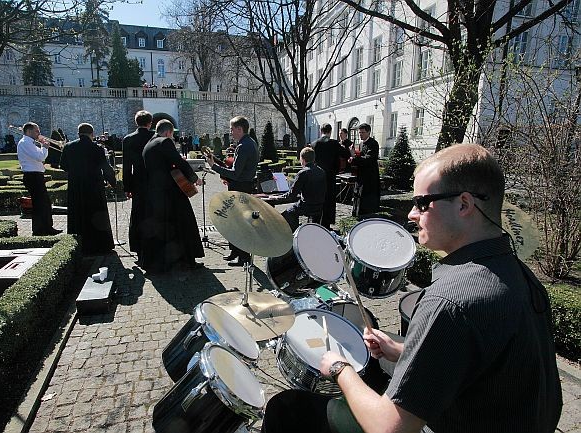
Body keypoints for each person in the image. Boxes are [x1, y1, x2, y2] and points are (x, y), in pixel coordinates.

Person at [263, 144, 562, 433]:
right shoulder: (518, 273)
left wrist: (341, 368)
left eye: (422, 203)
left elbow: (390, 428)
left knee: (286, 408)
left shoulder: (450, 301)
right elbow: (483, 360)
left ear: (464, 204)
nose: (411, 214)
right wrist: (404, 351)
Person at [140, 120, 204, 273]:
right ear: (168, 132)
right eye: (172, 135)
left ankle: (162, 263)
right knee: (183, 224)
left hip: (155, 194)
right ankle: (186, 261)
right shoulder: (165, 143)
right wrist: (195, 178)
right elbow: (179, 162)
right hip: (170, 193)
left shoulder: (149, 144)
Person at [205, 116, 259, 267]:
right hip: (243, 186)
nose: (230, 132)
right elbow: (233, 170)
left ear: (239, 129)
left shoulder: (244, 146)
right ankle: (235, 251)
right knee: (233, 221)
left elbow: (235, 173)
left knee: (238, 224)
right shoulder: (248, 142)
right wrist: (214, 160)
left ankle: (244, 258)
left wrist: (213, 167)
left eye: (232, 129)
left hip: (240, 188)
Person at [60, 123, 116, 255]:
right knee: (96, 215)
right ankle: (100, 245)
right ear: (92, 133)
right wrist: (112, 181)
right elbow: (105, 168)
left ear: (78, 133)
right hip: (94, 186)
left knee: (77, 214)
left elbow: (63, 166)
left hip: (76, 186)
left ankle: (78, 243)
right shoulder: (96, 148)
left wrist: (75, 173)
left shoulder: (68, 147)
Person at [17, 122, 61, 236]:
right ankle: (39, 230)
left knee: (44, 203)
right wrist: (44, 147)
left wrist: (42, 149)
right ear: (29, 131)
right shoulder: (25, 143)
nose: (39, 133)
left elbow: (39, 158)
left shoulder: (29, 143)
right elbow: (40, 156)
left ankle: (47, 227)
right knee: (39, 204)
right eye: (37, 131)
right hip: (32, 176)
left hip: (36, 175)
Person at [122, 110, 154, 258]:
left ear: (136, 122)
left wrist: (127, 187)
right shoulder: (155, 137)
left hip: (138, 181)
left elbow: (127, 166)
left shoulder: (128, 139)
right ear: (150, 123)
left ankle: (138, 246)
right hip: (155, 181)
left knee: (138, 214)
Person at [312, 123, 350, 229]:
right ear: (330, 131)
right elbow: (346, 154)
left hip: (317, 176)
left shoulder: (314, 143)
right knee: (329, 201)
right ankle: (326, 224)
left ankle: (315, 222)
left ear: (321, 131)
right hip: (330, 176)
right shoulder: (334, 143)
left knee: (318, 199)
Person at [280, 147, 326, 230]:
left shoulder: (303, 173)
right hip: (319, 205)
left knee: (287, 214)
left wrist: (278, 197)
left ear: (302, 159)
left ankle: (295, 232)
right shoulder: (321, 171)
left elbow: (292, 194)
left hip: (306, 206)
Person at [350, 123, 380, 217]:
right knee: (358, 194)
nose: (360, 134)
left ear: (368, 132)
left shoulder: (373, 143)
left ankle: (367, 215)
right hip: (361, 174)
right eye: (359, 132)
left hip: (370, 176)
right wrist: (353, 156)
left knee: (367, 197)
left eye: (362, 132)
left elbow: (369, 159)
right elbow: (361, 156)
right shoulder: (361, 143)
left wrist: (354, 158)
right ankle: (357, 213)